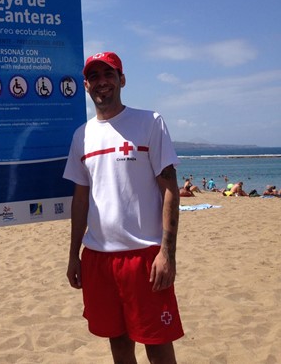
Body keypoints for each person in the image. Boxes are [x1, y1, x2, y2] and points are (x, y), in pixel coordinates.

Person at [64, 51, 183, 363]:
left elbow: (170, 189)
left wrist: (166, 253)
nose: (102, 82)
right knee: (118, 342)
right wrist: (73, 256)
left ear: (122, 80)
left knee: (157, 344)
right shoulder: (82, 135)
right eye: (94, 77)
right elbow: (80, 200)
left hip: (144, 255)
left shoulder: (149, 122)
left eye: (109, 74)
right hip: (98, 258)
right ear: (86, 85)